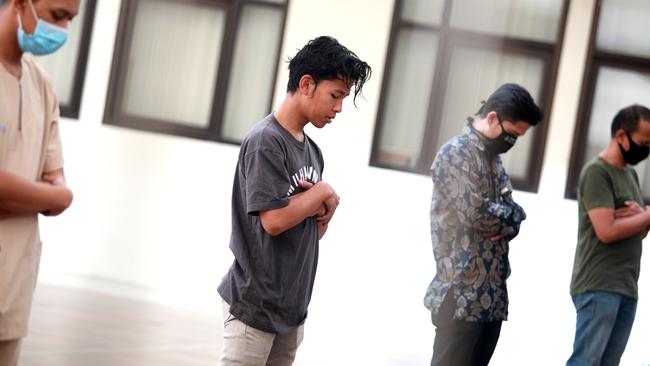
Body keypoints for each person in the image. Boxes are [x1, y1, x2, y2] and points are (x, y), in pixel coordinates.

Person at [217, 36, 371, 366]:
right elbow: (273, 221)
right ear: (306, 84)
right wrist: (321, 192)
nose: (339, 108)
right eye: (335, 96)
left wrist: (324, 212)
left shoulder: (313, 151)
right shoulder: (266, 142)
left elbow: (307, 234)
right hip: (254, 309)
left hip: (291, 310)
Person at [423, 83, 543, 366]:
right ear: (491, 117)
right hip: (461, 296)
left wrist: (513, 216)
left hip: (492, 298)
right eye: (512, 134)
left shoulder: (494, 161)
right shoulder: (455, 153)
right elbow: (474, 214)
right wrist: (509, 214)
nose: (512, 142)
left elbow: (515, 217)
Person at [0, 0, 76, 364]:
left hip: (12, 295)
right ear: (20, 3)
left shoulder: (42, 87)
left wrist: (27, 194)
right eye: (58, 15)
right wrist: (44, 194)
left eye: (70, 20)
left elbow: (61, 196)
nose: (63, 31)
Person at [566, 105, 650, 366]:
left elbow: (640, 231)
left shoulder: (631, 174)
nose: (646, 149)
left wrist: (641, 217)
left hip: (626, 286)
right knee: (586, 362)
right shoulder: (597, 172)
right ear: (621, 136)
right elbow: (607, 231)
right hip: (599, 285)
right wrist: (646, 214)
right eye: (643, 142)